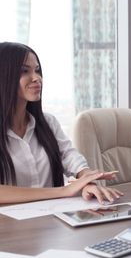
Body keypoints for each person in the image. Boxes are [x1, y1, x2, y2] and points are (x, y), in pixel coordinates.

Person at [0, 42, 123, 204]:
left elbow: (69, 156)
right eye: (24, 71)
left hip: (51, 219)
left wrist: (87, 180)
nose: (36, 78)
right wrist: (63, 191)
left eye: (37, 70)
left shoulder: (48, 122)